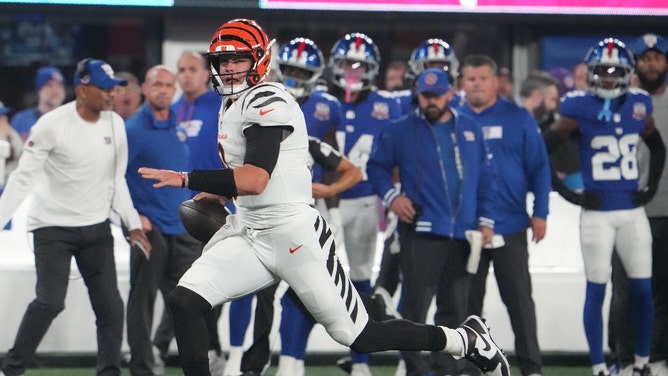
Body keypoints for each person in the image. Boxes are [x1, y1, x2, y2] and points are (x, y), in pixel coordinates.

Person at [137, 17, 510, 376]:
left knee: (360, 336)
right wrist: (219, 193)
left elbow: (254, 180)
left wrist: (185, 178)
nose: (231, 67)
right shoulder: (231, 102)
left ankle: (464, 339)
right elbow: (247, 180)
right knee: (185, 301)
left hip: (294, 237)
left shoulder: (268, 98)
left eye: (239, 58)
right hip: (251, 231)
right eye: (224, 60)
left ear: (260, 59)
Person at [0, 58, 151, 376]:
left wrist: (133, 223)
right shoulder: (51, 125)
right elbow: (21, 178)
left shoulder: (116, 124)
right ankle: (11, 369)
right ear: (83, 89)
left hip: (96, 229)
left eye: (114, 89)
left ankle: (108, 372)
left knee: (111, 306)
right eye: (104, 89)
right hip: (52, 228)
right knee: (51, 302)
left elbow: (117, 180)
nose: (112, 96)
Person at [542, 38, 666, 376]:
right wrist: (571, 195)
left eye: (615, 72)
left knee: (643, 290)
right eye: (602, 71)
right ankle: (599, 364)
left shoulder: (640, 105)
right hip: (597, 215)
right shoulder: (578, 107)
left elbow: (658, 148)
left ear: (628, 74)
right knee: (597, 289)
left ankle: (642, 363)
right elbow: (542, 150)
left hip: (631, 211)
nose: (609, 78)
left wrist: (650, 186)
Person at [368, 67, 499, 376]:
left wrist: (485, 221)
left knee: (454, 310)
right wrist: (392, 198)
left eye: (436, 95)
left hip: (463, 236)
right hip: (421, 234)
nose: (430, 102)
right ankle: (415, 370)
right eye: (425, 96)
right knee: (414, 311)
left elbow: (486, 180)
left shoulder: (470, 129)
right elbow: (376, 168)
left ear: (451, 94)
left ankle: (444, 371)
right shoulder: (401, 130)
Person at [459, 54, 552, 376]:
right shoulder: (453, 118)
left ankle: (532, 367)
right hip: (468, 229)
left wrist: (540, 212)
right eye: (471, 79)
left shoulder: (519, 117)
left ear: (495, 81)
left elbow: (540, 168)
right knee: (468, 305)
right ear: (462, 83)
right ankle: (469, 369)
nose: (477, 84)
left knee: (520, 303)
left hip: (511, 225)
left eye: (483, 78)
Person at [327, 31, 403, 376]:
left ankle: (361, 361)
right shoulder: (320, 100)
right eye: (347, 63)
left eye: (360, 65)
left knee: (360, 280)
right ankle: (291, 359)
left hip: (363, 202)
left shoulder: (389, 104)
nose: (353, 71)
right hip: (318, 203)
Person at [151, 50, 228, 376]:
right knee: (188, 285)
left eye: (191, 69)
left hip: (220, 210)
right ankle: (199, 348)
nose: (184, 75)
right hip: (181, 210)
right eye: (180, 69)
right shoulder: (175, 110)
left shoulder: (221, 106)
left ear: (205, 72)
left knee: (217, 286)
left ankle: (211, 347)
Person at [123, 65, 202, 376]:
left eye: (169, 85)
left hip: (181, 226)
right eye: (157, 84)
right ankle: (142, 368)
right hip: (149, 229)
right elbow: (113, 178)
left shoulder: (178, 127)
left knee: (188, 298)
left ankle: (158, 348)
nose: (164, 90)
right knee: (142, 302)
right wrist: (133, 217)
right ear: (145, 87)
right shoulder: (132, 130)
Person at [607, 33, 668, 376]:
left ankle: (656, 358)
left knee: (662, 291)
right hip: (625, 211)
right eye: (644, 58)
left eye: (656, 57)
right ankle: (624, 359)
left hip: (667, 210)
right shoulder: (617, 101)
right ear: (634, 64)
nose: (650, 64)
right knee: (625, 290)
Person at [10, 65, 66, 141]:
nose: (55, 90)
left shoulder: (74, 119)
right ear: (39, 90)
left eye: (59, 85)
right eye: (49, 85)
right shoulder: (21, 120)